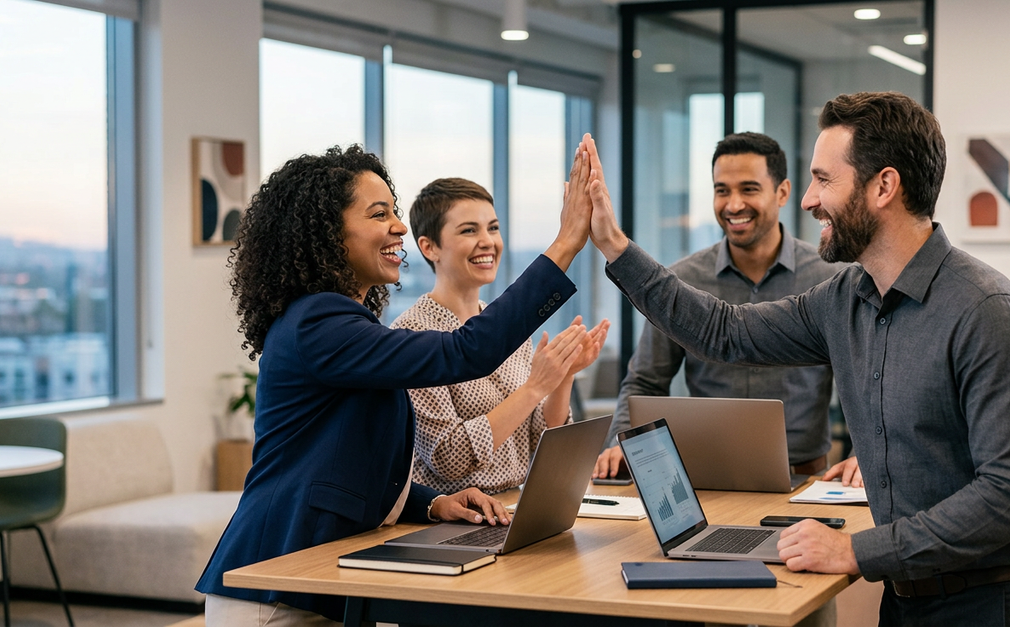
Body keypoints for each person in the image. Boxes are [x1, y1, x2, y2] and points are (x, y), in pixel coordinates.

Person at [579, 94, 1010, 625]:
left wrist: (857, 551)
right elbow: (726, 332)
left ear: (883, 186)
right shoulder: (846, 299)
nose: (810, 199)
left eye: (824, 180)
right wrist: (613, 245)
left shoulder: (989, 313)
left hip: (997, 605)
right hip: (908, 600)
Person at [196, 142, 597, 625]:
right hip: (275, 583)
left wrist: (432, 504)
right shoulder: (318, 321)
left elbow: (350, 461)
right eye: (378, 213)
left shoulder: (343, 322)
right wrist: (566, 243)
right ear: (328, 233)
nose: (399, 226)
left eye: (395, 211)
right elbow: (463, 351)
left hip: (319, 579)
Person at [592, 132, 853, 485]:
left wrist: (862, 457)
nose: (732, 205)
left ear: (782, 192)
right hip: (704, 476)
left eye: (748, 189)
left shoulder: (829, 278)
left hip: (805, 477)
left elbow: (863, 383)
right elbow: (645, 381)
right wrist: (625, 441)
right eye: (721, 190)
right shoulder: (682, 282)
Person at [392, 177, 609, 495]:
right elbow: (448, 459)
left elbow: (539, 441)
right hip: (454, 519)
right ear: (429, 247)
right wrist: (535, 388)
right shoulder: (411, 335)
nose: (488, 241)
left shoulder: (509, 329)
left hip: (514, 504)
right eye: (469, 230)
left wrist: (563, 376)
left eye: (492, 228)